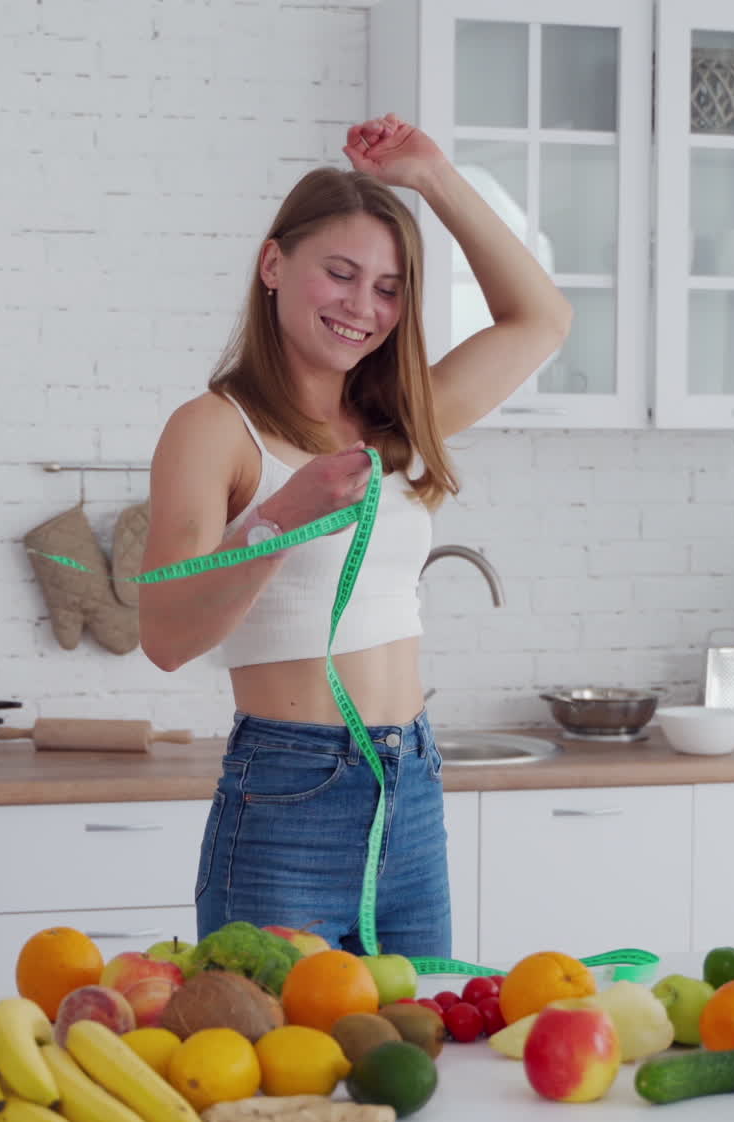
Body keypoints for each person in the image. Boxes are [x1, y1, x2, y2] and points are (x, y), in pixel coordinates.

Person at [140, 113, 571, 958]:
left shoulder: (401, 421)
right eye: (340, 273)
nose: (362, 307)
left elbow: (542, 321)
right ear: (274, 264)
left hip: (410, 790)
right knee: (272, 1080)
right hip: (288, 801)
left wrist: (438, 179)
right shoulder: (214, 429)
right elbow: (163, 634)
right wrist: (277, 518)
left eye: (388, 287)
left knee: (414, 1065)